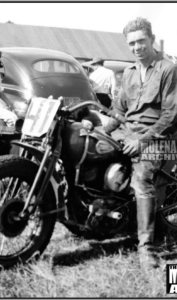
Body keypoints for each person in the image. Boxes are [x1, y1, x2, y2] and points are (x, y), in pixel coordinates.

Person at [103, 17, 177, 271]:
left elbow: (170, 115)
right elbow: (119, 109)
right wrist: (104, 129)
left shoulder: (167, 69)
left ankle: (146, 246)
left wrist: (142, 140)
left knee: (142, 178)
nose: (137, 47)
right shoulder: (129, 73)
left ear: (152, 39)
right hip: (128, 132)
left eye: (141, 41)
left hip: (158, 137)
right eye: (132, 43)